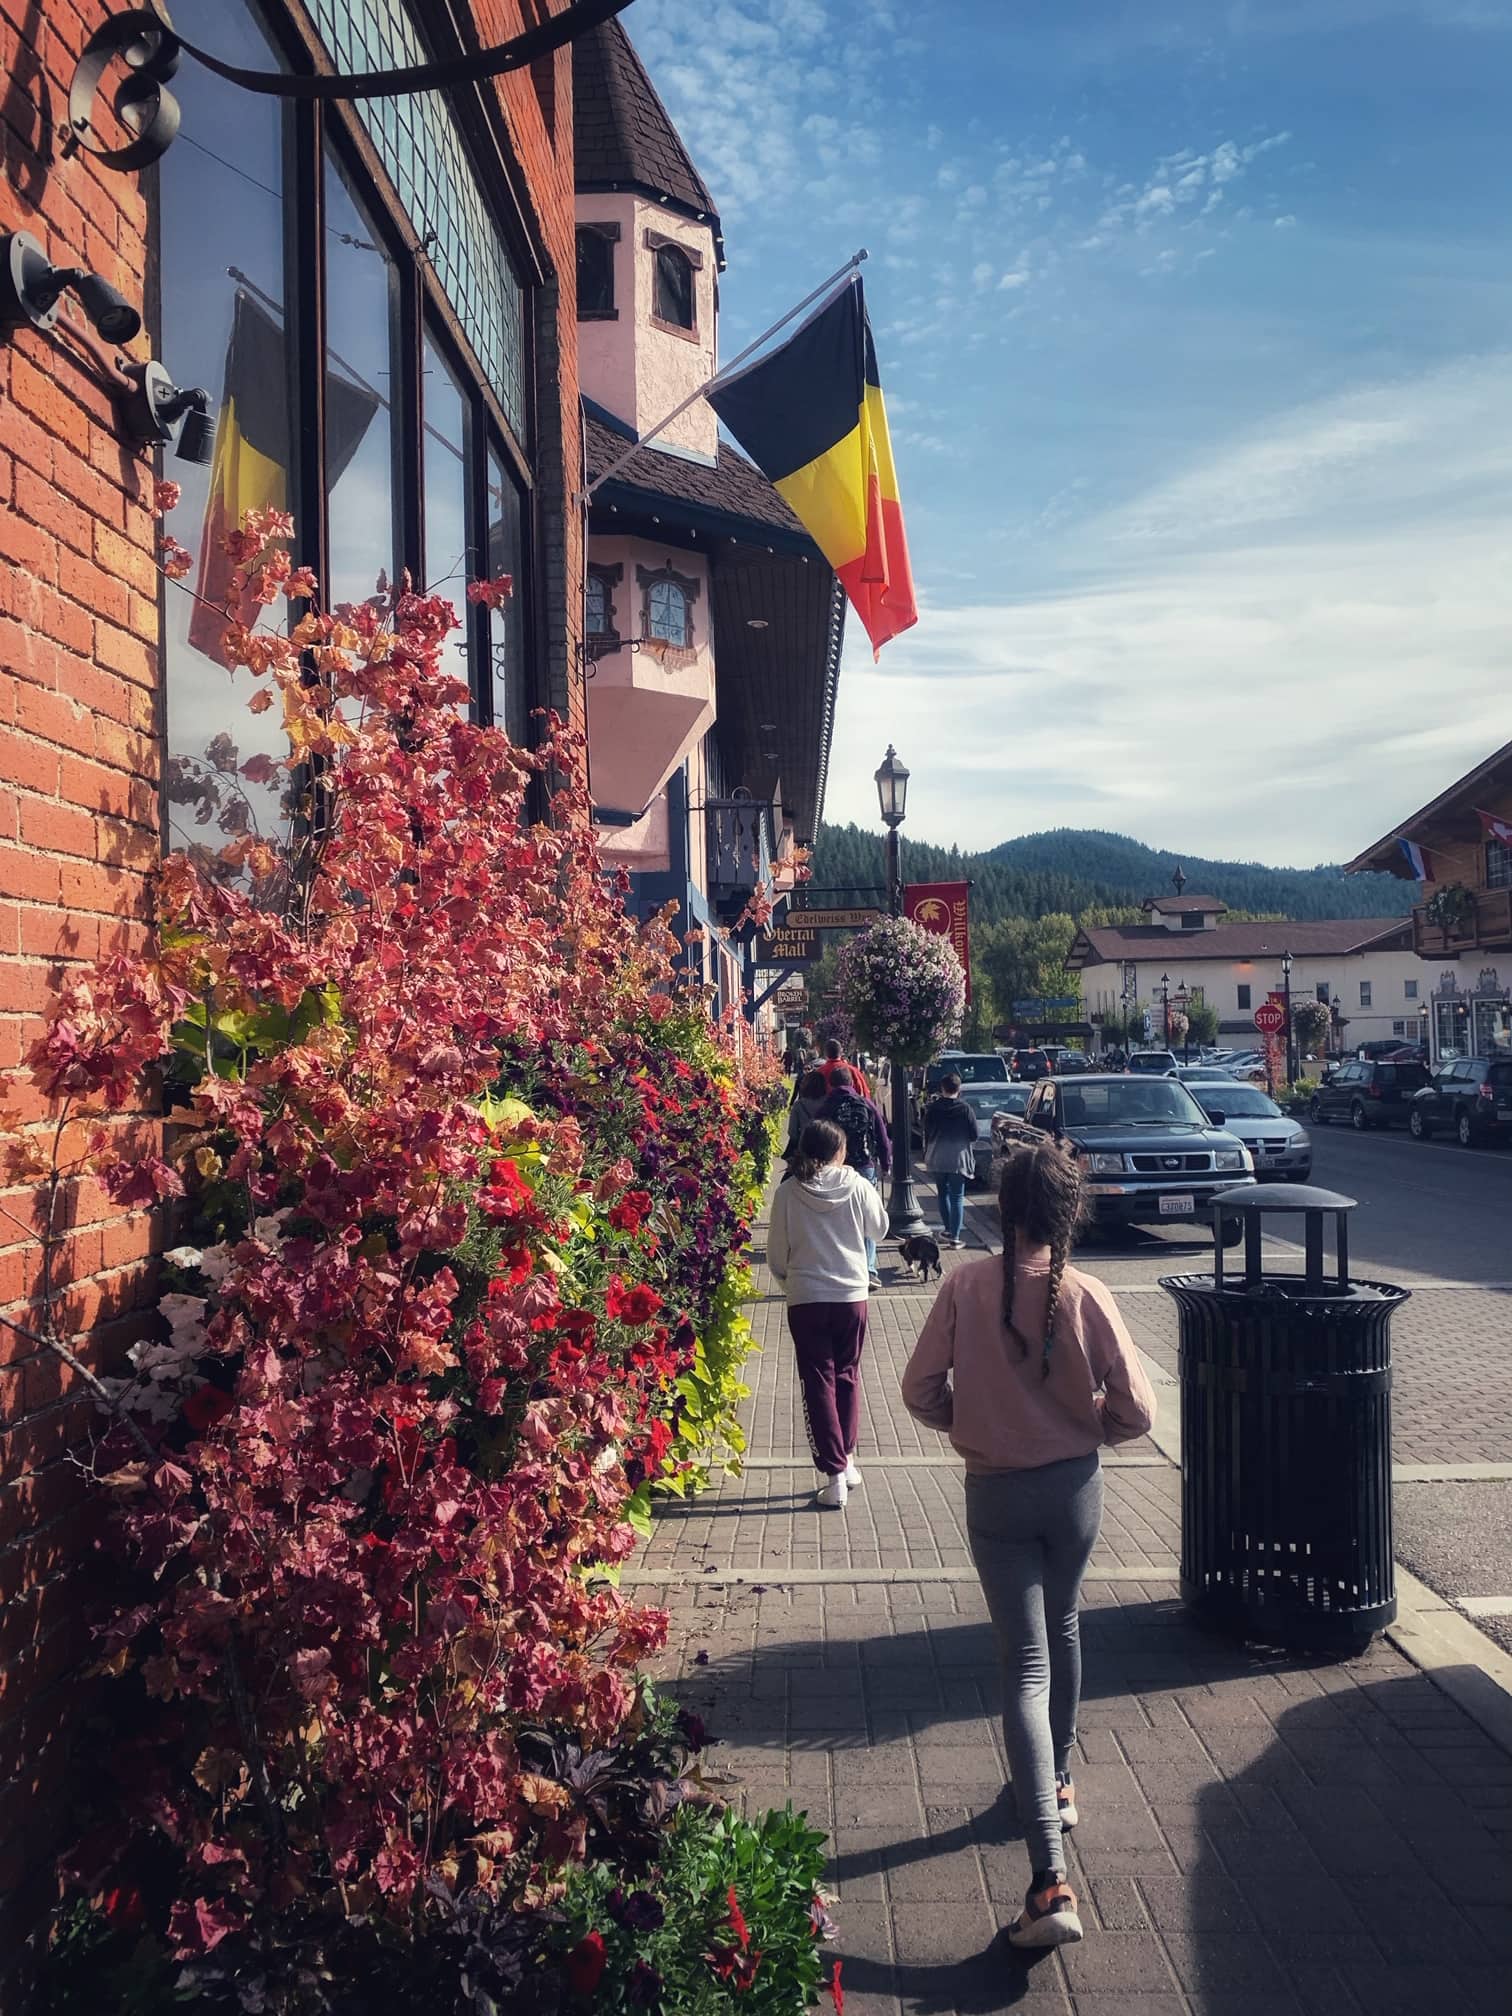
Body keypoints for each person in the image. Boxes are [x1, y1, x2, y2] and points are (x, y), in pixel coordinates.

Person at [900, 1142, 1156, 1951]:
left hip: (996, 1490)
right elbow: (1138, 1411)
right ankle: (1063, 1779)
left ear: (1003, 1209)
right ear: (1070, 1213)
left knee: (1024, 1664)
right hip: (1074, 1489)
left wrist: (971, 1426)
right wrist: (1087, 1432)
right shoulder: (1087, 1293)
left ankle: (1048, 1879)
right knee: (1067, 1625)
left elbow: (917, 1390)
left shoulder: (965, 1285)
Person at [767, 1119, 889, 1510]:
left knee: (818, 1381)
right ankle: (847, 1459)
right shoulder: (857, 1185)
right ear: (838, 1150)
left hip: (807, 1297)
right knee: (847, 1375)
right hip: (851, 1295)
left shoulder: (788, 1192)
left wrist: (790, 1285)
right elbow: (880, 1230)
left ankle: (834, 1471)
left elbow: (776, 1253)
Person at [815, 1070, 892, 1288]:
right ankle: (868, 1269)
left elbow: (815, 1134)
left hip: (835, 1166)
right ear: (852, 1083)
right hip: (864, 1164)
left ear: (831, 1084)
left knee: (836, 1217)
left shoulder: (826, 1107)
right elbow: (882, 1135)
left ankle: (840, 1265)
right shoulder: (866, 1104)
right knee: (867, 1217)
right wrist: (886, 1163)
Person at [923, 1070, 979, 1249]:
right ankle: (955, 1237)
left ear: (942, 1088)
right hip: (958, 1158)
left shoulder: (934, 1108)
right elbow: (974, 1134)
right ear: (959, 1088)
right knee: (957, 1197)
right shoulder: (965, 1109)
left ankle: (948, 1228)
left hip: (938, 1156)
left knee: (942, 1194)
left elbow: (927, 1130)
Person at [781, 1069, 832, 1177]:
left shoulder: (799, 1105)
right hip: (824, 1148)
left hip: (804, 1149)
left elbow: (792, 1132)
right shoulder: (829, 1103)